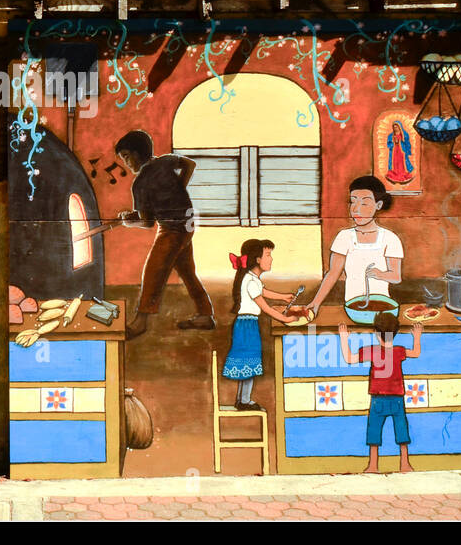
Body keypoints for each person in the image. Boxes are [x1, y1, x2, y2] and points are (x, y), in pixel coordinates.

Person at [114, 129, 213, 338]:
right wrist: (179, 186)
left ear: (137, 153)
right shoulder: (166, 162)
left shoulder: (139, 184)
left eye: (126, 157)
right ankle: (205, 314)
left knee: (153, 271)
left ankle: (140, 322)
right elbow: (189, 164)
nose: (126, 163)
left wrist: (130, 223)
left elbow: (148, 222)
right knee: (186, 270)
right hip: (187, 224)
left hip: (171, 229)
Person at [338, 314, 423, 473]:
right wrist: (417, 336)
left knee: (374, 431)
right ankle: (405, 464)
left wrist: (344, 338)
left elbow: (349, 358)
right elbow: (416, 352)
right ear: (396, 332)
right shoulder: (399, 351)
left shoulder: (371, 351)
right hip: (397, 398)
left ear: (376, 333)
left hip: (377, 399)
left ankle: (373, 466)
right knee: (401, 429)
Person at [307, 175, 404, 314]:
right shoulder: (344, 237)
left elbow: (396, 277)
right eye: (353, 202)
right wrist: (315, 303)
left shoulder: (390, 238)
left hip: (383, 307)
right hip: (352, 306)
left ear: (379, 205)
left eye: (364, 203)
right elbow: (333, 273)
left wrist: (380, 274)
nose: (356, 209)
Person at [222, 239, 298, 410]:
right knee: (248, 361)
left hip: (246, 325)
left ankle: (243, 399)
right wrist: (285, 319)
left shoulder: (250, 278)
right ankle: (245, 400)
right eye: (268, 255)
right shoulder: (251, 281)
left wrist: (283, 296)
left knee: (246, 361)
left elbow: (263, 292)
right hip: (247, 326)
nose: (271, 259)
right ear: (257, 259)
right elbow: (264, 306)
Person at [384, 120, 414, 186]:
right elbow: (388, 144)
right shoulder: (390, 135)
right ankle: (395, 174)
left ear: (399, 127)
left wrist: (400, 142)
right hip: (394, 151)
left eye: (396, 127)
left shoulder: (404, 134)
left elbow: (407, 144)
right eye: (394, 127)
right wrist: (393, 142)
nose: (395, 128)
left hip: (402, 151)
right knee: (395, 162)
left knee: (402, 163)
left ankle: (402, 174)